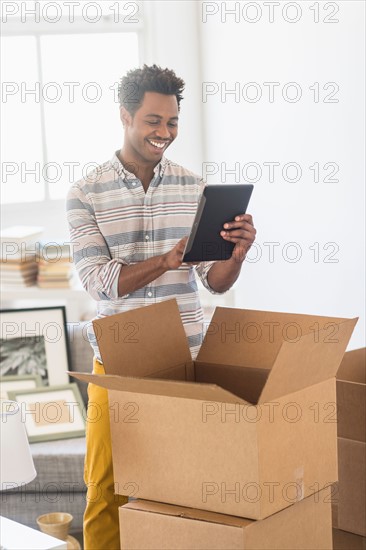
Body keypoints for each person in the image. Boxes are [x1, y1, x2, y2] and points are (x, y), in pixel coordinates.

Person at [66, 64, 256, 550]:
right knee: (105, 488)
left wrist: (236, 256)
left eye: (172, 122)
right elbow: (99, 283)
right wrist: (168, 259)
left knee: (181, 488)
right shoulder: (85, 194)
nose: (164, 133)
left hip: (182, 359)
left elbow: (213, 283)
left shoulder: (195, 189)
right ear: (125, 116)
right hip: (118, 362)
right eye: (153, 121)